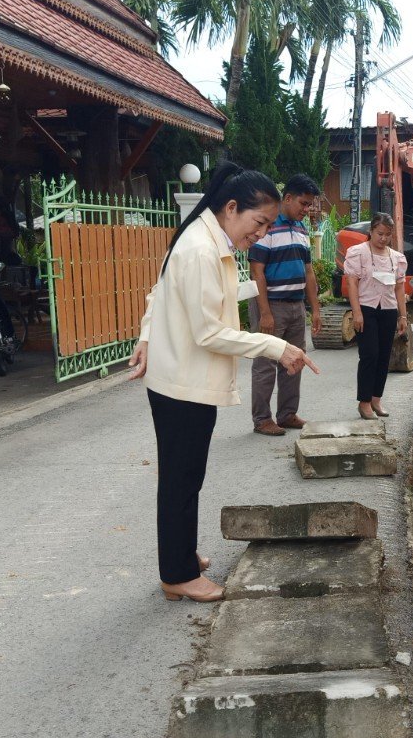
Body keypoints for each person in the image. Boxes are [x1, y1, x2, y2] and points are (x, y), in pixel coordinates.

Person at [127, 162, 319, 603]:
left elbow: (163, 292)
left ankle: (181, 555)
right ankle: (177, 574)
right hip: (182, 383)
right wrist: (276, 347)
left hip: (184, 379)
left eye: (268, 225)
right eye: (259, 222)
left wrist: (146, 335)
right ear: (231, 208)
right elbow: (208, 332)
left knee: (186, 476)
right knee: (180, 480)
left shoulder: (206, 240)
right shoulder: (200, 248)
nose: (261, 233)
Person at [247, 174, 323, 436]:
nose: (306, 209)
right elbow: (257, 272)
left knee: (295, 360)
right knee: (266, 362)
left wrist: (315, 309)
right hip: (271, 305)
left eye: (309, 205)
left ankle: (287, 414)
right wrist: (265, 313)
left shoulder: (301, 229)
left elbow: (309, 272)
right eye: (303, 203)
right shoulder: (267, 227)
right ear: (288, 198)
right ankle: (262, 419)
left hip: (296, 305)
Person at [344, 213, 408, 419]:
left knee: (383, 356)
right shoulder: (358, 253)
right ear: (371, 231)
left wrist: (403, 316)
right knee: (369, 354)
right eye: (380, 233)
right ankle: (364, 402)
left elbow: (399, 287)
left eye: (387, 235)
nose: (383, 238)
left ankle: (376, 399)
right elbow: (352, 283)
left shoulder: (396, 257)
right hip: (366, 309)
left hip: (388, 310)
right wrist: (357, 312)